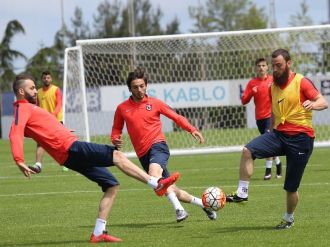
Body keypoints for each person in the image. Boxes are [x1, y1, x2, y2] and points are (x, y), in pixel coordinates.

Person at [9, 74, 180, 243]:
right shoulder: (21, 108)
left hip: (68, 154)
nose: (35, 91)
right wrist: (19, 159)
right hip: (70, 148)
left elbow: (35, 130)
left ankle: (99, 232)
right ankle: (155, 184)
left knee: (111, 185)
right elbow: (15, 132)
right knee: (116, 155)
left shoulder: (29, 109)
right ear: (21, 91)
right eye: (31, 88)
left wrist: (60, 131)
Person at [226, 49, 328, 229]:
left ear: (289, 64)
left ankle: (288, 218)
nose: (275, 69)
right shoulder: (272, 87)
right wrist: (270, 132)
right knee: (247, 150)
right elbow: (274, 111)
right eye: (273, 66)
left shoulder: (301, 81)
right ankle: (242, 192)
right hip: (279, 135)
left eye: (279, 65)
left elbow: (323, 101)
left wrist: (313, 104)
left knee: (290, 188)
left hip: (301, 139)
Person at [111, 68, 217, 223]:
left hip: (158, 146)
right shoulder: (122, 108)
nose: (139, 89)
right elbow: (116, 128)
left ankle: (179, 210)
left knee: (155, 176)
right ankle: (203, 204)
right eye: (135, 87)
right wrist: (115, 138)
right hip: (143, 154)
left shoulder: (155, 103)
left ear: (146, 85)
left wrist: (192, 129)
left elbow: (176, 117)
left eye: (142, 86)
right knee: (170, 188)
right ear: (130, 88)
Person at [241, 58, 282, 180]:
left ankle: (268, 171)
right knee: (268, 143)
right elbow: (244, 101)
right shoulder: (252, 83)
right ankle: (278, 164)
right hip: (259, 118)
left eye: (263, 65)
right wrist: (251, 93)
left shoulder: (273, 80)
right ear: (255, 68)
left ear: (267, 67)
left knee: (267, 141)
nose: (261, 68)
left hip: (271, 116)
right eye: (259, 65)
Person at [29, 71, 68, 172]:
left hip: (56, 121)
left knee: (62, 144)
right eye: (44, 78)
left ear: (51, 79)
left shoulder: (56, 89)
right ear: (42, 79)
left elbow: (59, 104)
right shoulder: (38, 92)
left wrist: (53, 115)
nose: (46, 79)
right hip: (43, 123)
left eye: (48, 78)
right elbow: (37, 107)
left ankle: (67, 163)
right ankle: (38, 165)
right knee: (40, 143)